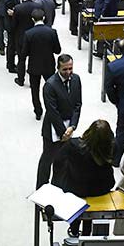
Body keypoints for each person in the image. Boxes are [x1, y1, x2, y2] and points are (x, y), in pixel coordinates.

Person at [52, 119, 116, 237]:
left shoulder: (73, 145)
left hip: (75, 188)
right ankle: (87, 232)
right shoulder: (108, 148)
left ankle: (74, 229)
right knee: (90, 203)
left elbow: (58, 162)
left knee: (79, 200)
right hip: (99, 190)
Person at [38, 54, 82, 188]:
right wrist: (63, 132)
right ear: (58, 68)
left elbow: (78, 105)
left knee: (63, 160)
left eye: (70, 68)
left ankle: (57, 186)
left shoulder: (76, 80)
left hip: (69, 127)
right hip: (53, 128)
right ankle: (41, 188)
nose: (68, 72)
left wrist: (73, 126)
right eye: (65, 70)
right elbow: (52, 111)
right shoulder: (50, 85)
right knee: (47, 160)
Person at [21, 9, 62, 120]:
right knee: (52, 89)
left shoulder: (28, 34)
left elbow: (24, 53)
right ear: (44, 18)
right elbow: (58, 50)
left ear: (32, 19)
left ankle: (38, 111)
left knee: (35, 90)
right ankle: (52, 109)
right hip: (49, 65)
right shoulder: (52, 32)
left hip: (34, 66)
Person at [11, 0, 37, 80]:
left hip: (21, 36)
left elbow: (14, 24)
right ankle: (32, 80)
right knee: (33, 59)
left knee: (21, 59)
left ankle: (21, 79)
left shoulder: (18, 8)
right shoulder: (37, 5)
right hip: (34, 36)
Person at [2, 0, 22, 73]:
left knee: (12, 45)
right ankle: (10, 65)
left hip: (12, 24)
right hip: (11, 25)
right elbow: (11, 13)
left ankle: (10, 63)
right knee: (11, 46)